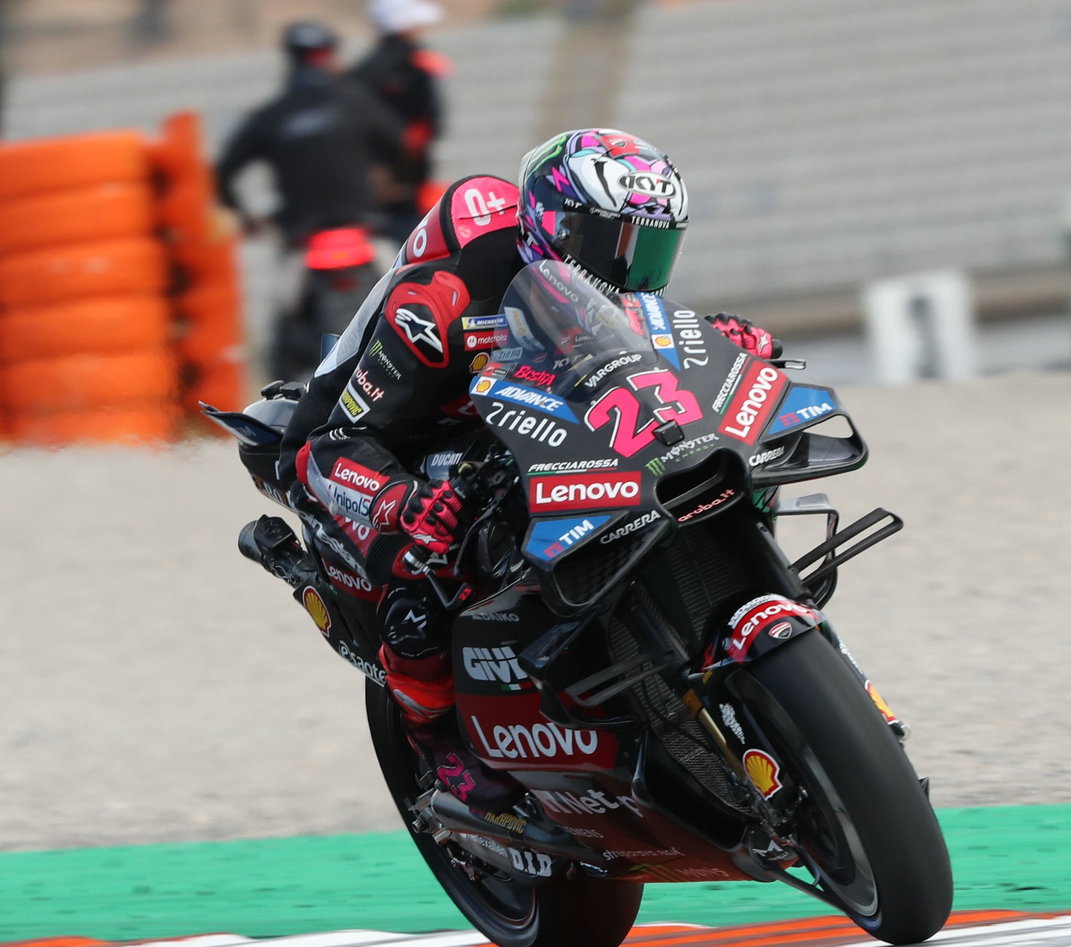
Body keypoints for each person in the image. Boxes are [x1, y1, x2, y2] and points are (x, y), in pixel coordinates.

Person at [276, 129, 781, 811]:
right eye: (620, 247)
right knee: (430, 556)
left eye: (653, 249)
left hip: (506, 411)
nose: (635, 272)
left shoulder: (590, 279)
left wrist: (720, 342)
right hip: (379, 440)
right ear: (558, 226)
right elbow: (331, 445)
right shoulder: (442, 304)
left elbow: (634, 341)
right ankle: (435, 741)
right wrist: (402, 500)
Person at [216, 20, 407, 380]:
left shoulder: (271, 116)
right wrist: (386, 176)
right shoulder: (356, 101)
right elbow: (398, 143)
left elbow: (224, 171)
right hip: (364, 234)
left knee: (282, 346)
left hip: (303, 245)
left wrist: (246, 217)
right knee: (408, 304)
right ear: (329, 55)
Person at [352, 0, 449, 243]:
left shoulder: (360, 72)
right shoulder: (416, 64)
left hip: (368, 186)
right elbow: (429, 126)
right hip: (409, 186)